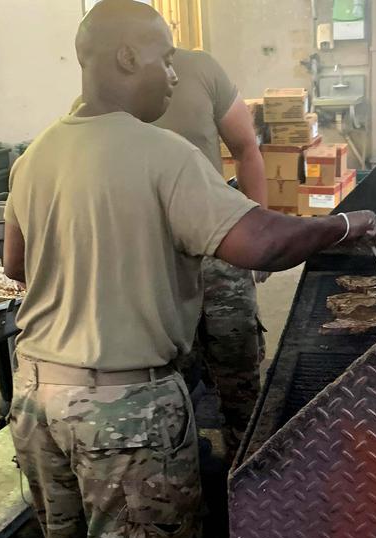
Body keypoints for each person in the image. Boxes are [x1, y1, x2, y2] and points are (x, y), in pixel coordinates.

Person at [3, 1, 376, 538]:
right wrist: (347, 223)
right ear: (128, 57)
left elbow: (15, 265)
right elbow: (263, 243)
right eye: (167, 59)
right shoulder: (164, 154)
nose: (175, 75)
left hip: (35, 402)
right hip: (125, 412)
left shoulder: (34, 156)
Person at [74, 47, 268, 455]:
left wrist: (258, 233)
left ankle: (250, 473)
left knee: (238, 368)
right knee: (166, 372)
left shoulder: (199, 69)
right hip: (151, 259)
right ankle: (183, 467)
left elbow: (247, 147)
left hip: (216, 248)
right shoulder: (94, 102)